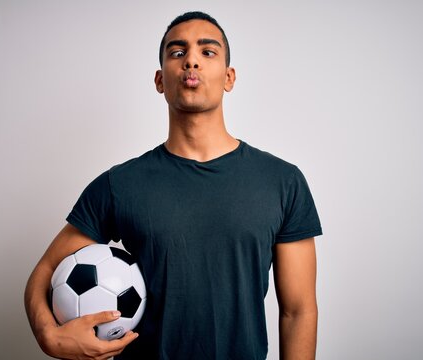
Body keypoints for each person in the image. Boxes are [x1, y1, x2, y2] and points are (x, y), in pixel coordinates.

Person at [24, 11, 322, 360]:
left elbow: (298, 311)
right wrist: (49, 337)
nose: (191, 60)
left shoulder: (283, 182)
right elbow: (44, 273)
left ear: (229, 77)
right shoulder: (120, 184)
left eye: (207, 52)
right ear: (160, 80)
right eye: (177, 52)